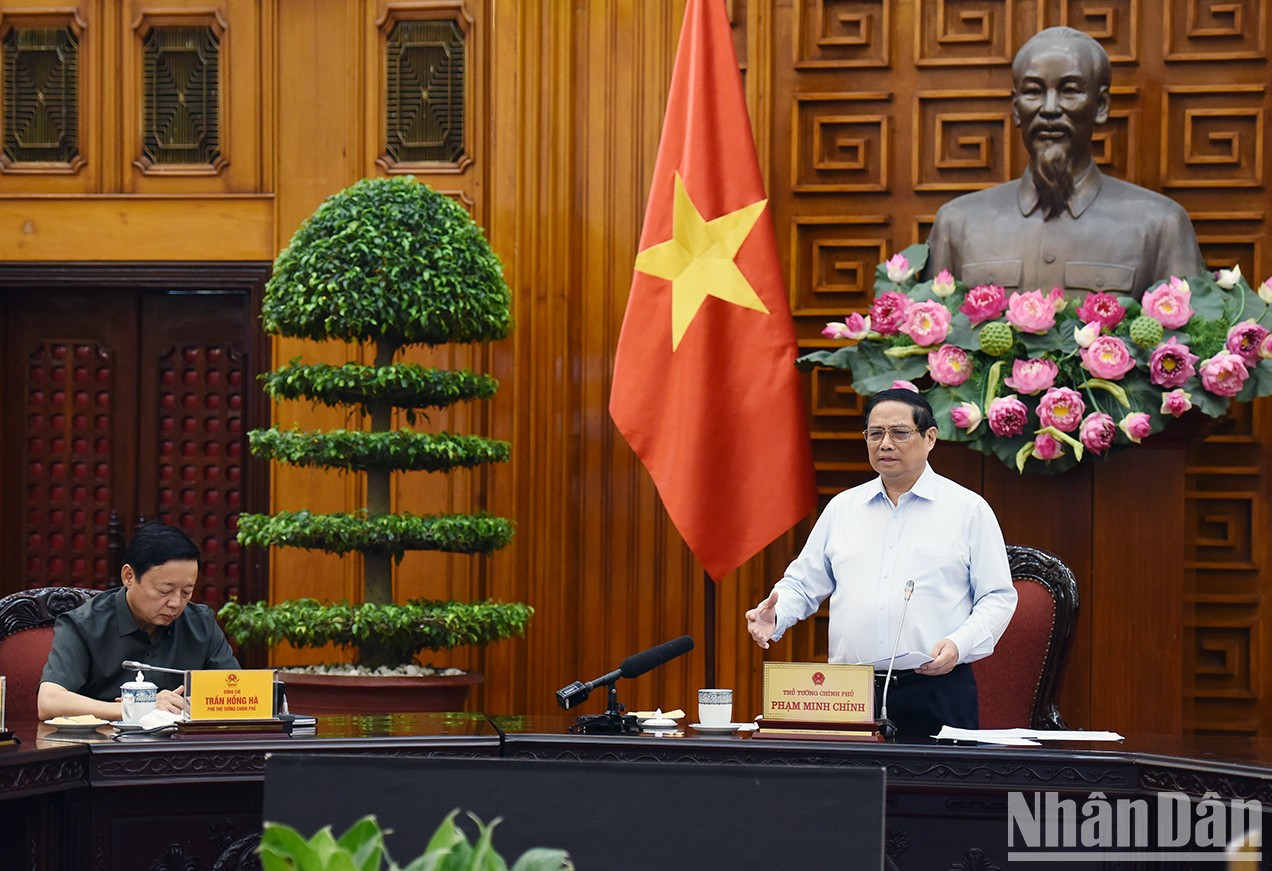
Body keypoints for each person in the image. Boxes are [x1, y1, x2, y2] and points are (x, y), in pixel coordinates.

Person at [745, 388, 1017, 736]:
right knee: (850, 790)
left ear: (929, 437)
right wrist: (776, 615)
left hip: (936, 687)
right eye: (875, 434)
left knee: (938, 789)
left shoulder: (968, 510)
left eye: (899, 432)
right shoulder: (843, 509)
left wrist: (959, 643)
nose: (885, 444)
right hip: (849, 693)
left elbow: (998, 597)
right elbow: (802, 583)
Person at [925, 26, 1205, 298]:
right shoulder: (958, 223)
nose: (1049, 109)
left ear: (1101, 105)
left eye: (1070, 90)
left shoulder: (1160, 224)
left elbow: (1189, 339)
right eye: (1033, 91)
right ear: (1016, 108)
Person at [37, 522, 239, 721]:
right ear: (129, 577)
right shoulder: (83, 625)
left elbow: (236, 694)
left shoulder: (201, 624)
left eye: (186, 592)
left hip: (182, 747)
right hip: (103, 747)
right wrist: (137, 708)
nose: (176, 603)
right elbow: (49, 702)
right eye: (164, 591)